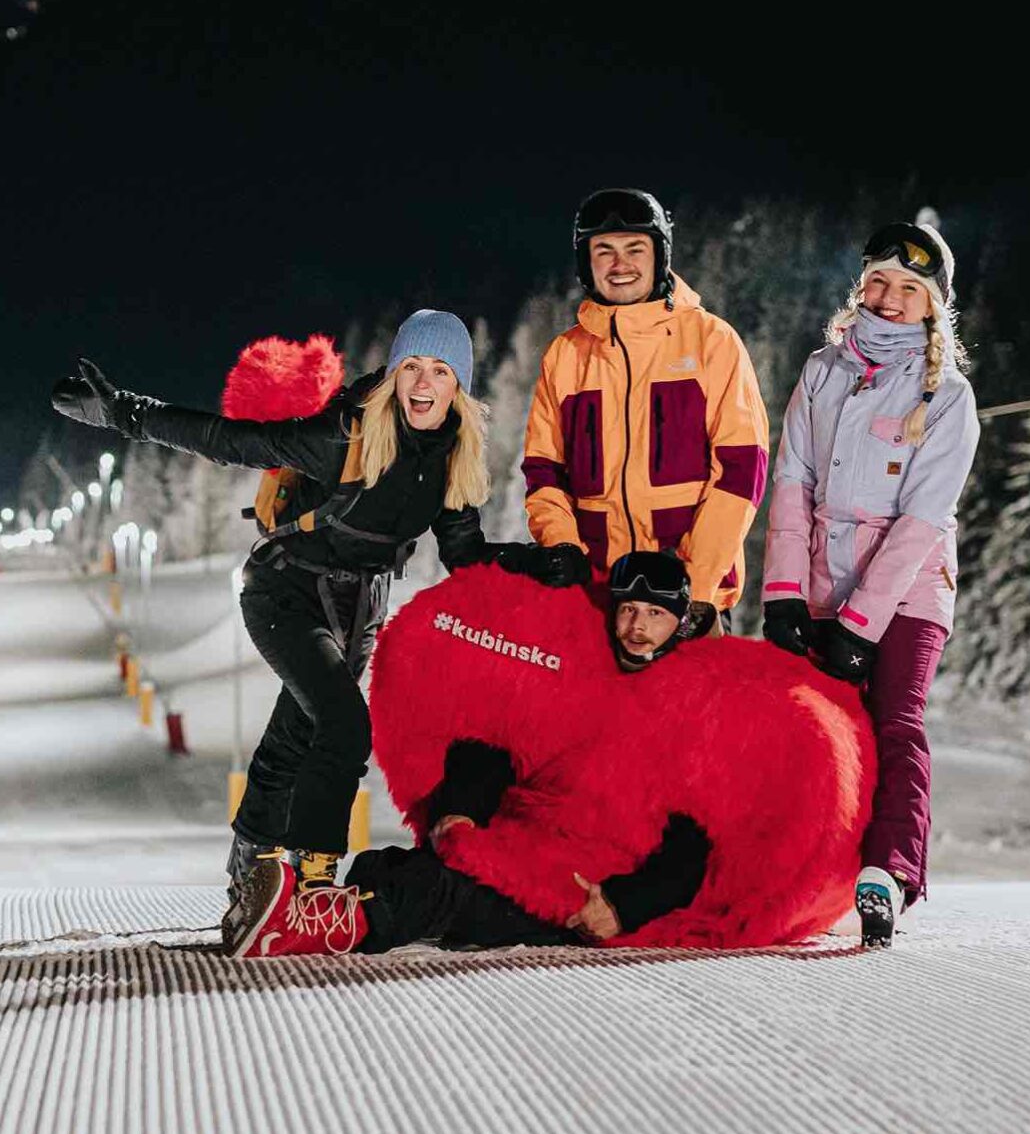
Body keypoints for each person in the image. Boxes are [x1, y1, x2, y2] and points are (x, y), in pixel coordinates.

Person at [50, 310, 584, 945]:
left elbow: (464, 554)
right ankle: (312, 885)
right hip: (287, 591)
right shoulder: (346, 438)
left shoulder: (455, 460)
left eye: (440, 372)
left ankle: (250, 880)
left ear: (459, 387)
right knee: (342, 724)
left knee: (292, 738)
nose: (422, 383)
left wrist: (539, 561)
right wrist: (125, 413)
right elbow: (230, 439)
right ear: (393, 376)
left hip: (359, 608)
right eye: (411, 367)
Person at [760, 222, 982, 946]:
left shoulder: (947, 396)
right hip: (824, 576)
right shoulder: (824, 370)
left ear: (932, 305)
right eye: (878, 282)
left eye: (909, 289)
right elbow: (791, 479)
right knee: (808, 731)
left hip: (910, 589)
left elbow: (922, 519)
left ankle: (887, 873)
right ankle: (797, 870)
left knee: (895, 721)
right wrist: (786, 592)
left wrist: (860, 626)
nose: (888, 300)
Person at [230, 717, 714, 960]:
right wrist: (460, 809)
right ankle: (331, 911)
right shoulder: (586, 689)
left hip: (587, 896)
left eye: (654, 614)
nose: (637, 626)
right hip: (534, 845)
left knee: (440, 894)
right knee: (392, 868)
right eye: (629, 610)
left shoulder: (684, 724)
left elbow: (695, 846)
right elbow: (502, 740)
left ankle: (297, 932)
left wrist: (624, 905)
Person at [521, 188, 772, 631]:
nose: (620, 265)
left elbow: (741, 470)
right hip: (598, 602)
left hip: (691, 602)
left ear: (660, 255)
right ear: (587, 263)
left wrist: (690, 589)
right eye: (605, 251)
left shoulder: (711, 342)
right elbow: (545, 473)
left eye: (635, 249)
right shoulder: (565, 356)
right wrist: (564, 552)